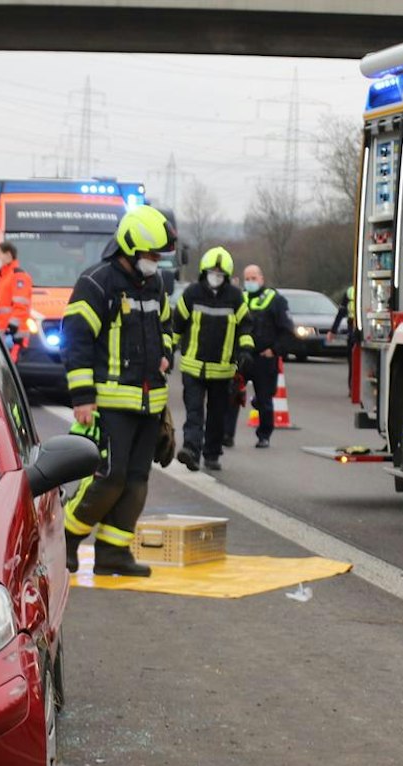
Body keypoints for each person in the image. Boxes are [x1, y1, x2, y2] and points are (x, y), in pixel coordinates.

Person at [61, 205, 179, 577]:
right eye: (150, 255)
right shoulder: (97, 283)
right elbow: (75, 340)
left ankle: (113, 551)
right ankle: (66, 535)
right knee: (108, 478)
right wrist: (82, 398)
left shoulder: (156, 285)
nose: (154, 262)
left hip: (149, 403)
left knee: (136, 481)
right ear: (128, 249)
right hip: (110, 403)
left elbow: (167, 328)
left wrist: (165, 354)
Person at [170, 247, 249, 472]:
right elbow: (177, 325)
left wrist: (245, 351)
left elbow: (245, 326)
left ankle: (212, 454)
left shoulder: (235, 297)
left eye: (220, 273)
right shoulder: (192, 294)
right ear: (204, 271)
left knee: (217, 415)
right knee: (194, 412)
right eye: (212, 271)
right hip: (193, 367)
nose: (216, 275)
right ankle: (191, 451)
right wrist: (168, 351)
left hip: (222, 370)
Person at [237, 264, 293, 449]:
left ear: (262, 279)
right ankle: (226, 435)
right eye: (247, 278)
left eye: (254, 278)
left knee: (264, 399)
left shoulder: (275, 300)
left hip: (264, 357)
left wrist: (275, 351)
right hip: (243, 355)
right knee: (231, 395)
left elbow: (286, 330)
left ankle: (264, 436)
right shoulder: (239, 299)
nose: (251, 282)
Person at [0, 242, 33, 344]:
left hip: (15, 336)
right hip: (3, 336)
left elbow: (21, 306)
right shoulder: (2, 278)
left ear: (9, 256)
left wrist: (11, 328)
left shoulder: (18, 276)